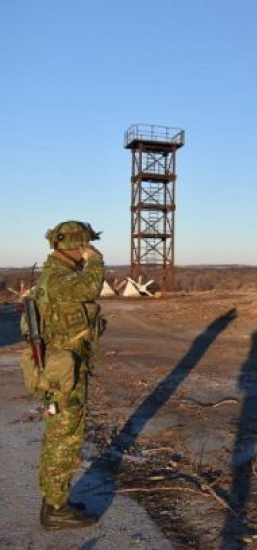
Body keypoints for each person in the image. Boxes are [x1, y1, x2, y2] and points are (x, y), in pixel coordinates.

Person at [20, 221, 105, 530]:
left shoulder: (56, 277)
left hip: (63, 368)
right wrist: (96, 259)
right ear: (76, 245)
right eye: (86, 244)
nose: (88, 249)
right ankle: (56, 508)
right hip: (63, 374)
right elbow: (92, 286)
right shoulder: (59, 279)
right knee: (65, 437)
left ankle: (55, 501)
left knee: (61, 434)